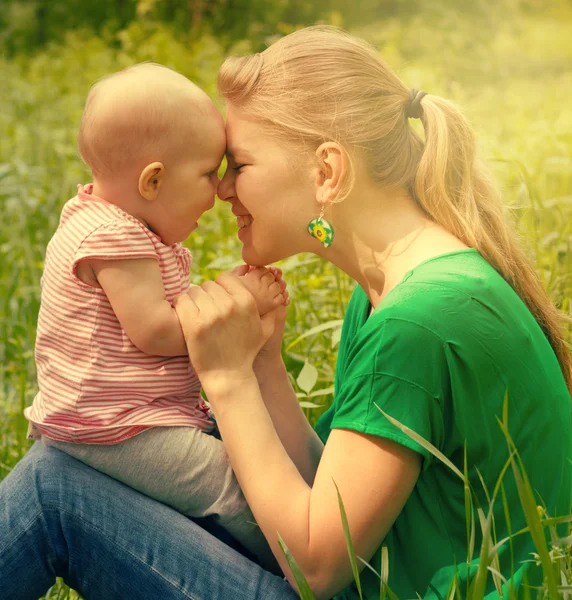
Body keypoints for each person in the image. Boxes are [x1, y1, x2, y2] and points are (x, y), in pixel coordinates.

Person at [1, 25, 571, 600]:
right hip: (376, 577)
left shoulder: (416, 323)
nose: (223, 190)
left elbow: (317, 568)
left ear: (327, 172)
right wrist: (264, 366)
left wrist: (227, 379)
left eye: (240, 166)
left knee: (56, 491)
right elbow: (328, 492)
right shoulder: (390, 294)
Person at [22, 63, 287, 572]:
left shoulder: (113, 226)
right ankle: (304, 563)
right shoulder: (115, 238)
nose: (219, 190)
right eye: (210, 173)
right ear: (154, 180)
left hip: (124, 420)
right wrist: (238, 303)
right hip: (119, 427)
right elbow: (156, 331)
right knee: (233, 485)